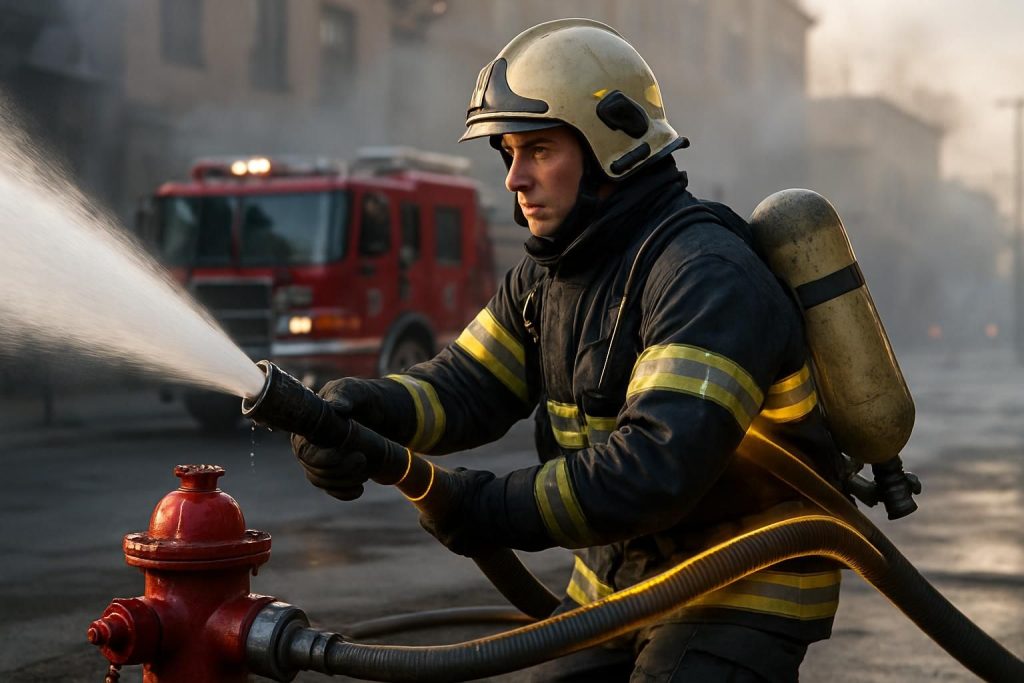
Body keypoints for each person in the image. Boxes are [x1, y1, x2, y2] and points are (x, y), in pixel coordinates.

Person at [292, 19, 846, 682]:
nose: (514, 178)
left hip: (741, 586)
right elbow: (467, 385)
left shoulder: (706, 276)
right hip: (617, 581)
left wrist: (483, 507)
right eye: (507, 152)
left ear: (611, 147)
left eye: (538, 150)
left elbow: (653, 471)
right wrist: (366, 410)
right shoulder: (551, 273)